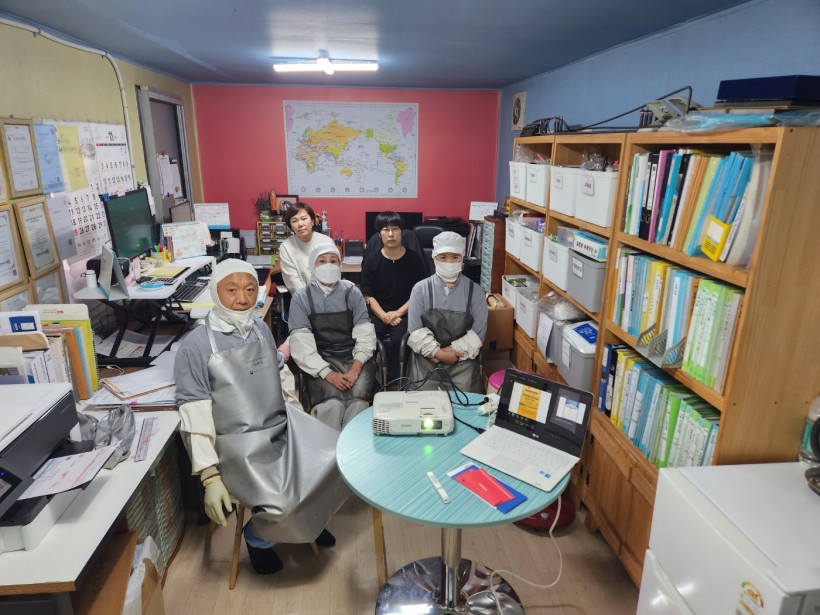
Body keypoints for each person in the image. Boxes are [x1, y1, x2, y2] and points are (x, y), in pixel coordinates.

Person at [174, 259, 348, 575]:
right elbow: (194, 415)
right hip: (237, 446)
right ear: (215, 292)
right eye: (231, 290)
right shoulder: (196, 346)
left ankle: (308, 521)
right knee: (280, 498)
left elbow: (280, 378)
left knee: (333, 459)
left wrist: (300, 423)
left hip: (278, 424)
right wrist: (209, 476)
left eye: (250, 289)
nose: (242, 299)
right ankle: (258, 538)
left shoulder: (259, 328)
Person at [289, 244, 378, 429]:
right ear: (312, 266)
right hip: (320, 360)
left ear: (340, 265)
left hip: (354, 357)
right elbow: (301, 344)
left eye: (333, 261)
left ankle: (352, 444)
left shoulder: (352, 292)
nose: (328, 265)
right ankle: (329, 444)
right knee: (332, 405)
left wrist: (355, 369)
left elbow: (365, 334)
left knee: (358, 401)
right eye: (322, 261)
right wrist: (327, 374)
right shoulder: (301, 298)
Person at [406, 231, 488, 393]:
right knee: (422, 405)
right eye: (443, 257)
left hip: (462, 362)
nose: (449, 262)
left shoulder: (476, 292)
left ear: (462, 258)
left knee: (465, 405)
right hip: (426, 361)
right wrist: (439, 354)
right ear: (434, 257)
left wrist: (451, 353)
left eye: (455, 257)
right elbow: (414, 330)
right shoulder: (420, 289)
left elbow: (478, 334)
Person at [359, 211, 426, 382]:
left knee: (399, 340)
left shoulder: (414, 259)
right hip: (378, 311)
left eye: (395, 229)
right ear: (379, 234)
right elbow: (367, 294)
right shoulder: (372, 260)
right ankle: (372, 378)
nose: (390, 234)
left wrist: (397, 313)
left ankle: (396, 377)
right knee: (371, 337)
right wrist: (384, 315)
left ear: (402, 233)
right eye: (386, 230)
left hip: (406, 311)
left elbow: (419, 293)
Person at [278, 202, 334, 293]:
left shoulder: (327, 242)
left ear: (312, 221)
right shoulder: (286, 247)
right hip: (302, 298)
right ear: (291, 226)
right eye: (294, 221)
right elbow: (293, 282)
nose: (300, 224)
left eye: (304, 219)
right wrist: (308, 299)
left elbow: (332, 275)